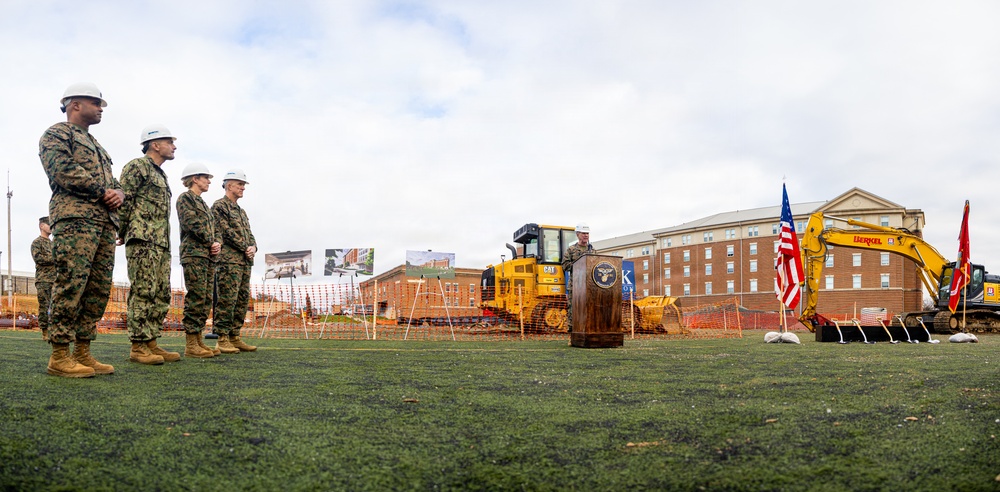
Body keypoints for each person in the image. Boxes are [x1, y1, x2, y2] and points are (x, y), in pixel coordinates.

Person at [38, 82, 122, 378]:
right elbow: (61, 170)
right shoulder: (57, 134)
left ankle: (83, 351)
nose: (101, 109)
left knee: (97, 288)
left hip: (103, 223)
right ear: (75, 104)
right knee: (72, 281)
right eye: (96, 103)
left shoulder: (99, 146)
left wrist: (119, 194)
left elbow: (115, 185)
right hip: (75, 219)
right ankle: (59, 354)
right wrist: (103, 191)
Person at [119, 124, 178, 365]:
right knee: (144, 290)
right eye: (170, 142)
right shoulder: (137, 166)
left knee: (161, 293)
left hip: (161, 242)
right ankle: (138, 346)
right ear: (155, 144)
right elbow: (124, 199)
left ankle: (151, 341)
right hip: (142, 238)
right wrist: (121, 229)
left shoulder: (161, 174)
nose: (174, 146)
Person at [176, 162, 222, 358]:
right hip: (194, 254)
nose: (209, 181)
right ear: (195, 179)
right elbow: (191, 223)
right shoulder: (185, 198)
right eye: (206, 178)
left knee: (205, 299)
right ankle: (190, 343)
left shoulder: (203, 203)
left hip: (208, 256)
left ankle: (198, 339)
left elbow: (214, 229)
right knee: (196, 297)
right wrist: (211, 241)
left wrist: (217, 242)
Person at [211, 169, 258, 353]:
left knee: (241, 299)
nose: (243, 188)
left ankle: (234, 336)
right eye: (240, 184)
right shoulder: (219, 206)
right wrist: (245, 246)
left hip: (244, 262)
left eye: (243, 185)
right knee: (227, 299)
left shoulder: (241, 211)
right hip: (229, 261)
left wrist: (253, 247)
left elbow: (250, 234)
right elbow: (224, 231)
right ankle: (222, 338)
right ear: (229, 185)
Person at [561, 222, 594, 333]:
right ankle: (573, 333)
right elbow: (565, 265)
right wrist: (579, 266)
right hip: (575, 285)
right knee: (573, 309)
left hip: (589, 285)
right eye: (584, 233)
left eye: (587, 234)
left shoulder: (592, 250)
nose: (586, 236)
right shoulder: (571, 250)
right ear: (578, 234)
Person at [30, 216, 54, 342]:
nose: (51, 227)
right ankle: (45, 331)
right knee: (44, 306)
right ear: (41, 226)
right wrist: (55, 259)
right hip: (43, 279)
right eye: (48, 224)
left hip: (56, 280)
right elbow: (39, 259)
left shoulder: (53, 243)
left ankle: (55, 331)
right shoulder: (36, 243)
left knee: (56, 306)